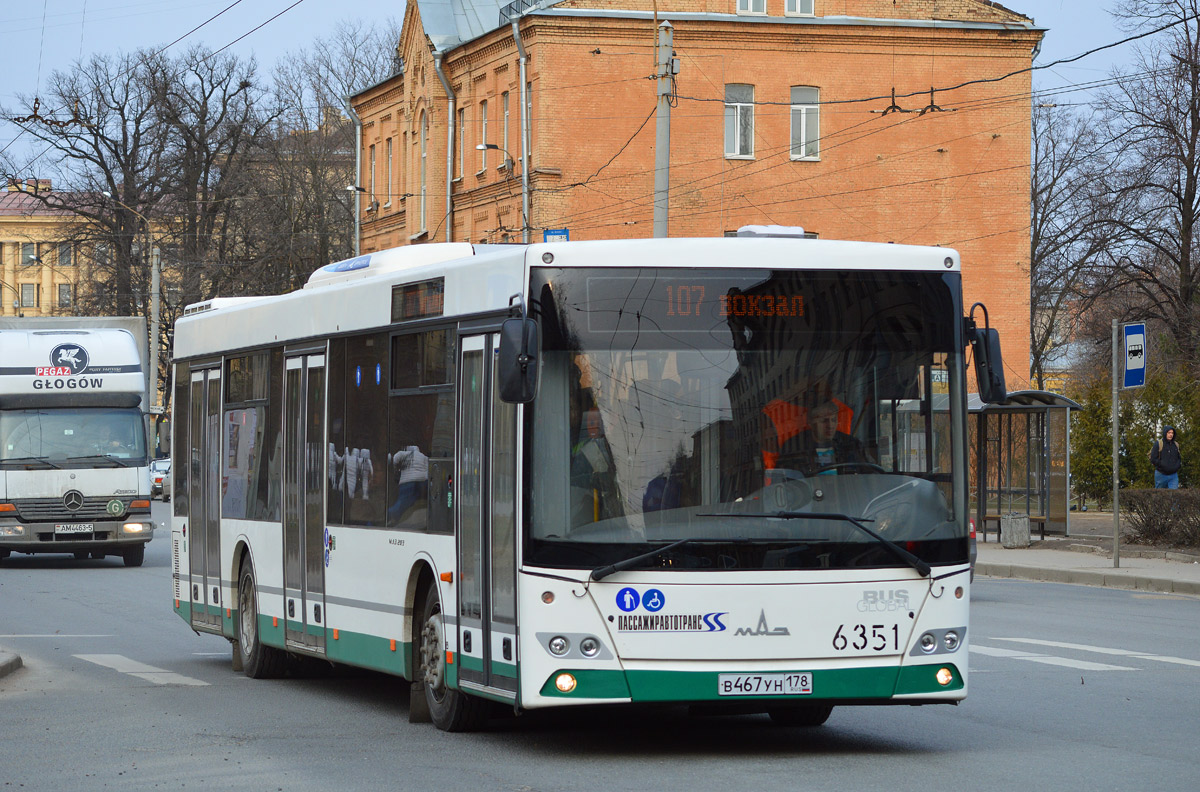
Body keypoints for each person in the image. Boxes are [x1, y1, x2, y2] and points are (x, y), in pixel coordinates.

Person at [763, 382, 871, 476]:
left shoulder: (851, 445)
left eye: (833, 420)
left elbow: (870, 477)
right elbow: (782, 483)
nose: (830, 425)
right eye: (824, 421)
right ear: (810, 422)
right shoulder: (794, 447)